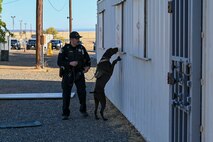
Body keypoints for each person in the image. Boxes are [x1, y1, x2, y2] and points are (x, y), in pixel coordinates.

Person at [57, 31, 91, 120]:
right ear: (71, 39)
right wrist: (69, 63)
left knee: (82, 93)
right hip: (68, 75)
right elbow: (59, 62)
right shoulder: (65, 49)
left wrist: (87, 67)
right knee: (66, 94)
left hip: (79, 74)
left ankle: (83, 110)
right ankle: (65, 113)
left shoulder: (82, 48)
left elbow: (88, 60)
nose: (78, 40)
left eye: (78, 38)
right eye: (76, 38)